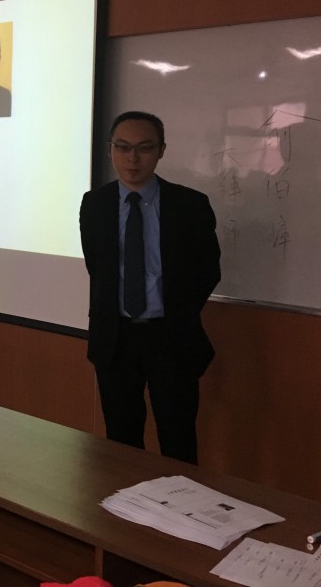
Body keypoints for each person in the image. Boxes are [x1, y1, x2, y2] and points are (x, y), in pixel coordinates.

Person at [78, 112, 220, 464]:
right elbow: (97, 268)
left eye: (144, 148)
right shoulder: (95, 204)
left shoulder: (190, 205)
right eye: (122, 147)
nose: (132, 158)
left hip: (171, 339)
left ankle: (181, 501)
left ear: (161, 151)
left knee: (178, 440)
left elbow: (207, 271)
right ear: (110, 149)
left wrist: (175, 313)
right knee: (121, 443)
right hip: (116, 340)